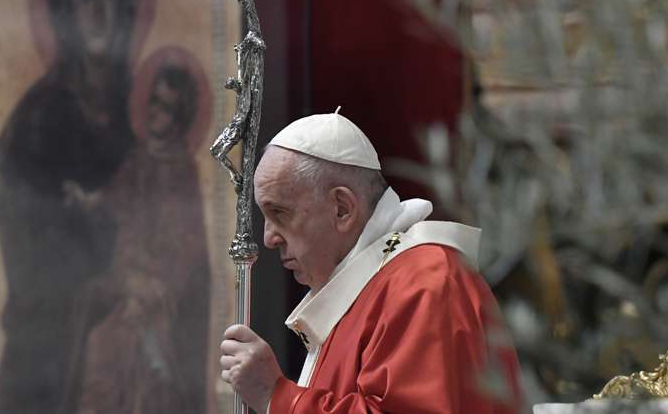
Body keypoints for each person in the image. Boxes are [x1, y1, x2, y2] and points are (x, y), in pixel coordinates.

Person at [219, 111, 523, 413]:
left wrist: (277, 397)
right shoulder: (373, 285)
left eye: (280, 214)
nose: (269, 238)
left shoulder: (423, 282)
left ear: (342, 209)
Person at [0, 0, 139, 413]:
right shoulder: (34, 129)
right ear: (63, 11)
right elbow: (37, 277)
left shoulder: (148, 113)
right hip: (49, 375)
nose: (100, 10)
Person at [60, 64, 210, 414]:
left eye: (167, 107)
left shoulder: (181, 170)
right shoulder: (138, 158)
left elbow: (187, 244)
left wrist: (154, 285)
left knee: (124, 352)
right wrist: (85, 199)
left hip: (160, 287)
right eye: (153, 102)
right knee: (91, 324)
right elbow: (113, 196)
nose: (156, 113)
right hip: (127, 274)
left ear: (180, 118)